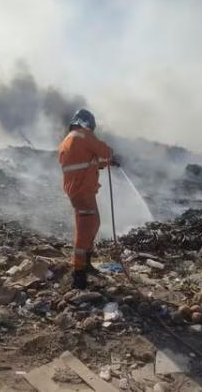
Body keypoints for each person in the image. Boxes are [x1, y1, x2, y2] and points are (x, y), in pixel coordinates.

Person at [58, 109, 119, 290]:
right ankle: (79, 274)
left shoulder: (69, 139)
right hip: (82, 190)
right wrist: (111, 156)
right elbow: (104, 150)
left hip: (78, 190)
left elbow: (87, 163)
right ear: (88, 124)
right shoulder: (83, 135)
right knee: (85, 229)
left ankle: (87, 263)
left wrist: (107, 163)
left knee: (94, 223)